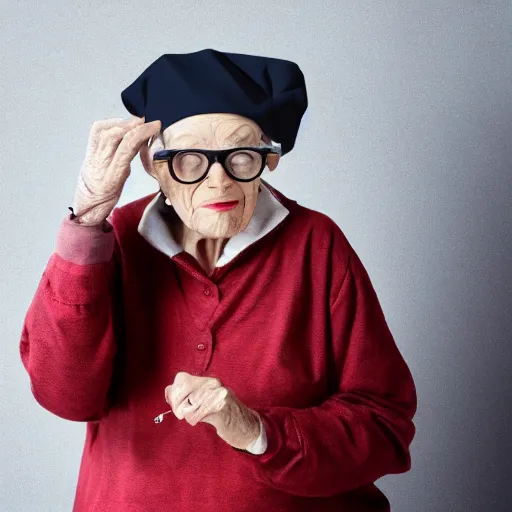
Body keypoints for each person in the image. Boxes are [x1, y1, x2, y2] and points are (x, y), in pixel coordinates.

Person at [19, 49, 417, 512]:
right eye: (190, 160)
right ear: (155, 166)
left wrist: (257, 431)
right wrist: (86, 221)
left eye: (240, 157)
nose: (219, 182)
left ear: (269, 161)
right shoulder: (114, 241)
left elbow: (385, 425)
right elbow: (63, 396)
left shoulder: (317, 245)